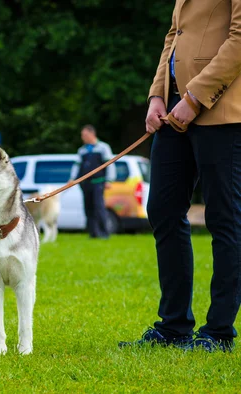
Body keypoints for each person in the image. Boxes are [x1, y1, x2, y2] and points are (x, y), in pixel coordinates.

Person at [121, 1, 241, 352]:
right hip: (173, 109)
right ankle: (173, 328)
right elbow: (174, 35)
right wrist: (157, 94)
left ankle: (218, 332)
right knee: (162, 210)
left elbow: (238, 38)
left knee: (225, 217)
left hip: (221, 111)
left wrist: (194, 97)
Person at [69, 125, 115, 239]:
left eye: (84, 135)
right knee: (88, 207)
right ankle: (93, 233)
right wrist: (72, 178)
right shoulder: (82, 150)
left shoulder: (103, 148)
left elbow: (110, 164)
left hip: (98, 182)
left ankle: (104, 233)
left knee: (98, 206)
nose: (82, 137)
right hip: (85, 184)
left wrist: (109, 180)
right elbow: (77, 166)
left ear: (92, 134)